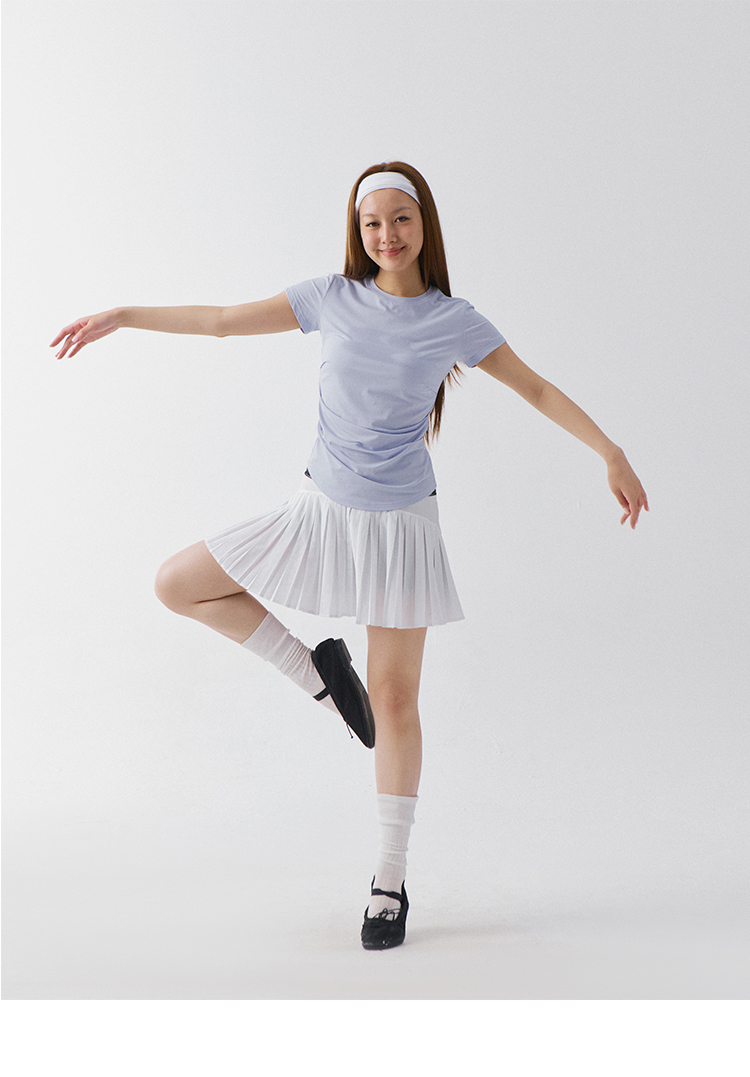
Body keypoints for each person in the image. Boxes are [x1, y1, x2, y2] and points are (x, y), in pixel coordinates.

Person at [51, 161, 648, 951]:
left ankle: (389, 881)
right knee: (178, 583)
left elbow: (535, 389)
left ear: (424, 224)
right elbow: (223, 320)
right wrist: (124, 315)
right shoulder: (331, 297)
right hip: (321, 509)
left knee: (396, 702)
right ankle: (320, 679)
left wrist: (610, 451)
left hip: (402, 527)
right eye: (372, 223)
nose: (386, 235)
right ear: (356, 231)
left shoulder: (454, 319)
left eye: (401, 219)